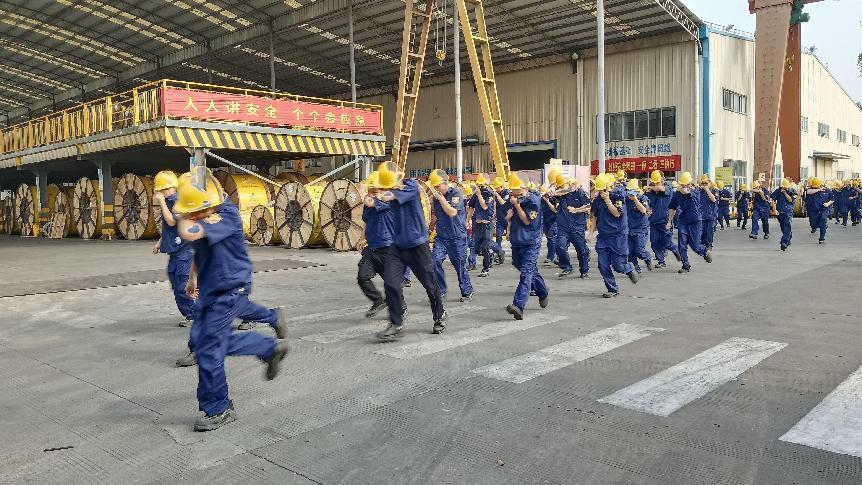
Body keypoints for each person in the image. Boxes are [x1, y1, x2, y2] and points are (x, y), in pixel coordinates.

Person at [174, 170, 288, 432]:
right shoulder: (205, 211)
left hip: (229, 289)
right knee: (203, 342)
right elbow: (200, 246)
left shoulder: (225, 216)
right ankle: (269, 344)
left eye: (194, 212)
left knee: (209, 349)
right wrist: (193, 277)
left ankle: (219, 408)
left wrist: (182, 217)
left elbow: (192, 232)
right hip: (213, 290)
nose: (192, 216)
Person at [376, 163, 447, 339]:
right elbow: (383, 199)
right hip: (397, 246)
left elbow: (388, 196)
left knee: (430, 284)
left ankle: (439, 316)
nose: (389, 188)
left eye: (389, 185)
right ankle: (396, 322)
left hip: (417, 245)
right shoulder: (391, 190)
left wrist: (377, 193)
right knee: (391, 283)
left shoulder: (411, 187)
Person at [152, 171, 199, 368]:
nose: (158, 194)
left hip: (184, 253)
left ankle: (197, 316)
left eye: (160, 191)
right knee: (175, 283)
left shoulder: (178, 202)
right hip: (175, 252)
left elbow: (172, 221)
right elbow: (169, 227)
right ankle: (191, 314)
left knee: (182, 286)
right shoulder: (171, 201)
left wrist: (162, 202)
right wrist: (161, 241)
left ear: (166, 189)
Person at [357, 171, 402, 321]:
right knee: (363, 277)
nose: (373, 191)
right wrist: (362, 238)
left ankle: (400, 307)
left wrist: (362, 193)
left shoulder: (386, 200)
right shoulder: (370, 200)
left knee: (392, 283)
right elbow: (367, 220)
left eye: (375, 188)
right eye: (371, 189)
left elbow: (369, 202)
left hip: (387, 248)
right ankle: (378, 301)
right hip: (371, 249)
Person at [504, 172, 549, 319]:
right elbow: (507, 216)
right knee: (522, 266)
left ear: (522, 187)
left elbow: (527, 220)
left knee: (526, 273)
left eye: (515, 189)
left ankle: (518, 306)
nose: (513, 192)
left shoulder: (533, 200)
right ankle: (542, 291)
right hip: (517, 241)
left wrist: (517, 206)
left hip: (531, 242)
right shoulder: (512, 198)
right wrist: (508, 220)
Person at [590, 173, 639, 297]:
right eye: (599, 190)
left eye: (603, 189)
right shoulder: (597, 200)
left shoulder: (619, 196)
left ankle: (628, 268)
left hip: (618, 236)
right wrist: (590, 233)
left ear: (609, 186)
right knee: (603, 265)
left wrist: (607, 200)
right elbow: (595, 216)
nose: (601, 192)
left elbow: (617, 214)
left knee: (618, 266)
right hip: (603, 237)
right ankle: (612, 289)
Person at [429, 169, 474, 302]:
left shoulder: (456, 194)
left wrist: (441, 199)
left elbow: (452, 212)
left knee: (459, 266)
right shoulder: (436, 198)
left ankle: (467, 291)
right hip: (442, 237)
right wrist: (430, 229)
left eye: (437, 186)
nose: (436, 189)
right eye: (434, 187)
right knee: (434, 261)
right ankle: (441, 289)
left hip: (457, 237)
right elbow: (436, 216)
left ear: (445, 183)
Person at [667, 172, 713, 274]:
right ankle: (685, 266)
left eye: (686, 184)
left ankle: (703, 251)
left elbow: (686, 192)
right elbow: (672, 208)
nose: (684, 186)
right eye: (682, 184)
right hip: (683, 221)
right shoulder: (677, 194)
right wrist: (669, 221)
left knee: (695, 246)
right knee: (682, 245)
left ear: (690, 183)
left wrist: (682, 189)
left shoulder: (695, 191)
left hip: (695, 221)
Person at [554, 175, 591, 278]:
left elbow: (588, 206)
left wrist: (576, 210)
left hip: (577, 226)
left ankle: (584, 270)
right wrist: (565, 190)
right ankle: (567, 267)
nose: (561, 187)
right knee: (560, 246)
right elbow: (553, 194)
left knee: (581, 249)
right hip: (563, 227)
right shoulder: (561, 194)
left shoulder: (580, 192)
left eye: (562, 185)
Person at [644, 170, 679, 269]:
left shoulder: (668, 187)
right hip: (653, 221)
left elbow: (660, 188)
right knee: (654, 243)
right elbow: (646, 202)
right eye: (653, 183)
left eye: (657, 182)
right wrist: (647, 208)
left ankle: (676, 250)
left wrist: (650, 187)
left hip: (665, 221)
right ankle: (661, 261)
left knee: (666, 242)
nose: (655, 185)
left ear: (662, 180)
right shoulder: (650, 193)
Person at [467, 174, 495, 278]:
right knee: (476, 247)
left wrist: (479, 195)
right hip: (478, 225)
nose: (480, 187)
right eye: (478, 185)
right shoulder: (476, 194)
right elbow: (471, 207)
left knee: (485, 247)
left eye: (481, 185)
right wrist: (467, 219)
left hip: (487, 224)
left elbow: (484, 206)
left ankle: (485, 269)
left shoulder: (489, 194)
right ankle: (490, 255)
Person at [625, 178, 652, 273]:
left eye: (632, 191)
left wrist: (635, 199)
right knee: (630, 251)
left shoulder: (643, 198)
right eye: (628, 191)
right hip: (629, 229)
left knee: (639, 250)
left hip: (641, 229)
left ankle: (647, 258)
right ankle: (636, 268)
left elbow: (644, 210)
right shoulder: (626, 199)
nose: (630, 194)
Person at [772, 178, 797, 251]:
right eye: (784, 187)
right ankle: (788, 239)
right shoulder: (777, 191)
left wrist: (785, 193)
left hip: (788, 212)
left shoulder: (792, 191)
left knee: (787, 226)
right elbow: (773, 200)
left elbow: (791, 200)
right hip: (780, 212)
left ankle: (784, 242)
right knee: (783, 228)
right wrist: (774, 210)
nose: (785, 188)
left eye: (786, 187)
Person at [806, 177, 833, 244]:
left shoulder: (827, 190)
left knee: (823, 221)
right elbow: (808, 192)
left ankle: (822, 238)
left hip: (823, 209)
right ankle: (816, 227)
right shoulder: (810, 190)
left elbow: (832, 199)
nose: (815, 187)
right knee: (813, 224)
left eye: (817, 186)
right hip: (813, 210)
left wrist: (828, 204)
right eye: (814, 186)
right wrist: (819, 189)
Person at [540, 175, 560, 265]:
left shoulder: (553, 199)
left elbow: (555, 210)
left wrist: (547, 201)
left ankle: (550, 257)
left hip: (553, 221)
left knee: (552, 238)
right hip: (545, 221)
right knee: (550, 239)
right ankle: (557, 255)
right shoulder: (540, 200)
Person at [490, 177, 510, 265]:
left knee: (512, 238)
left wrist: (497, 196)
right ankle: (499, 253)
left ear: (501, 186)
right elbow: (496, 205)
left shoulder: (506, 193)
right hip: (500, 218)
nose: (496, 189)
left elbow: (504, 203)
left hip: (508, 219)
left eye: (497, 187)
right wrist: (494, 213)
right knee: (498, 236)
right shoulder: (497, 194)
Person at [698, 175, 719, 249]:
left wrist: (707, 190)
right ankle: (703, 245)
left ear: (709, 182)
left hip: (711, 215)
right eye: (703, 183)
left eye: (706, 183)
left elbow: (713, 199)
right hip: (702, 215)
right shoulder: (699, 191)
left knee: (709, 231)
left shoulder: (714, 190)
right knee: (702, 232)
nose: (704, 185)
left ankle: (709, 245)